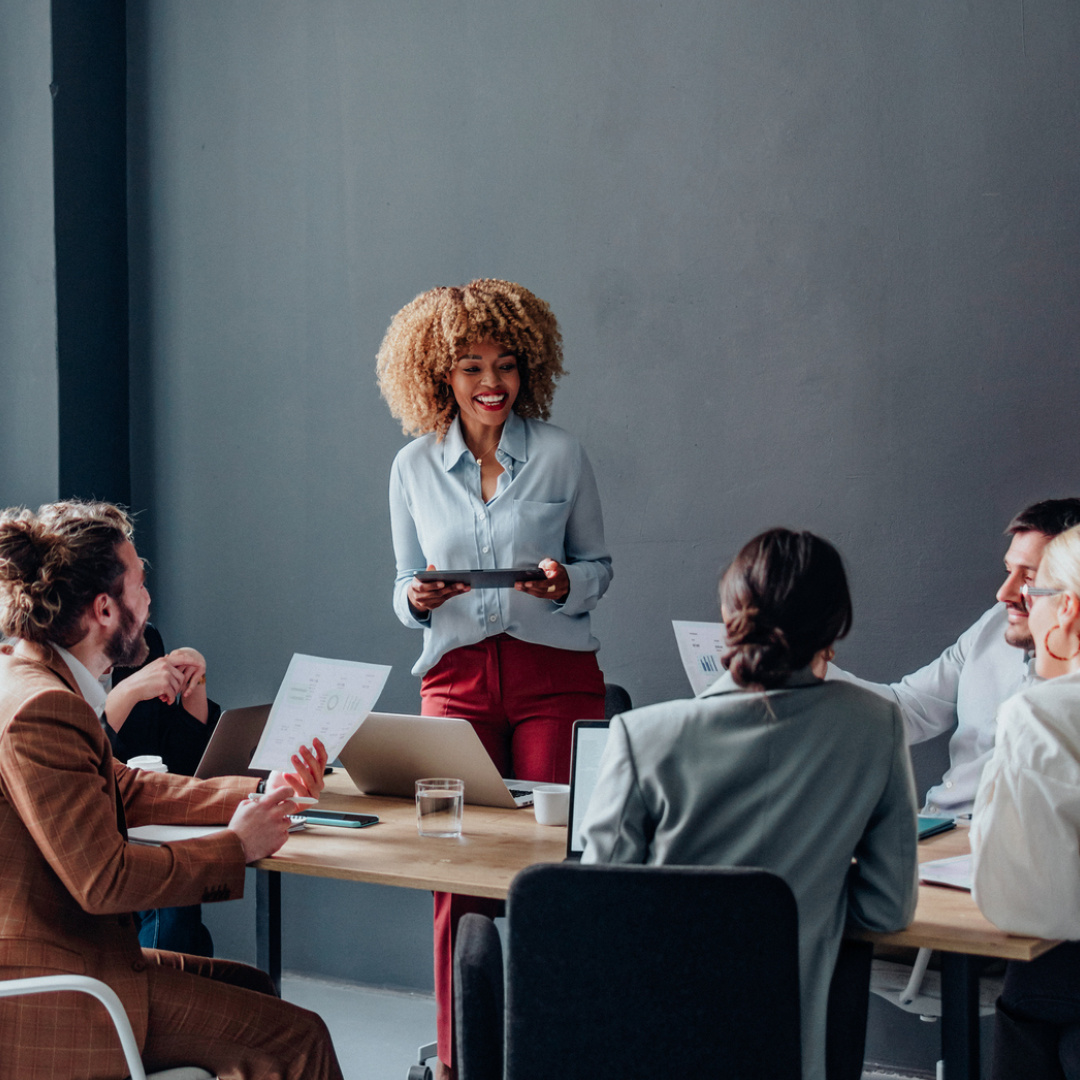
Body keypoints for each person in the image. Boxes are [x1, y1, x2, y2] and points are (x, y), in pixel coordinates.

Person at [0, 500, 343, 1080]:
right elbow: (103, 881)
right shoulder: (45, 707)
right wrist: (236, 845)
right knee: (297, 1038)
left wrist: (260, 793)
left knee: (256, 988)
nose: (149, 599)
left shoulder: (30, 674)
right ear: (105, 609)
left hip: (73, 956)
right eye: (139, 583)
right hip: (52, 992)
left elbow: (123, 787)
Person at [377, 278, 613, 1078]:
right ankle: (456, 1058)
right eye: (472, 364)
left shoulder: (561, 453)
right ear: (439, 374)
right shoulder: (411, 467)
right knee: (455, 863)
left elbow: (597, 567)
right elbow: (404, 583)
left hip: (555, 675)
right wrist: (418, 596)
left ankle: (562, 1051)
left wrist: (561, 585)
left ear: (526, 369)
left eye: (505, 364)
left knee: (552, 866)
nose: (491, 382)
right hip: (455, 678)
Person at [581, 528, 918, 1080]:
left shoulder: (641, 736)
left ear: (726, 615)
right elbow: (887, 907)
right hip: (788, 1051)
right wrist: (814, 899)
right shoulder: (874, 726)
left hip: (650, 1045)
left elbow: (601, 904)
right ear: (837, 627)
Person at [830, 498, 1080, 815]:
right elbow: (908, 708)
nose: (1004, 593)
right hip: (940, 823)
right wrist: (803, 666)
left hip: (1009, 839)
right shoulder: (995, 624)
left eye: (1029, 578)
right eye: (1008, 571)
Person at [971, 523, 1080, 1080]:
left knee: (1027, 995)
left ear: (1066, 609)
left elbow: (1014, 904)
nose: (1012, 601)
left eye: (1033, 590)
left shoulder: (1039, 714)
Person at [104, 623, 221, 953]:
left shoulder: (142, 640)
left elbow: (177, 764)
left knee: (185, 918)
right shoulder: (36, 660)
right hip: (87, 827)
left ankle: (171, 989)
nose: (148, 597)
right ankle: (158, 994)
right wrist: (127, 693)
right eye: (138, 585)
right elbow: (73, 755)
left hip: (146, 819)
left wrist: (193, 686)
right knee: (172, 898)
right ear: (102, 601)